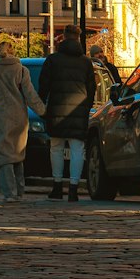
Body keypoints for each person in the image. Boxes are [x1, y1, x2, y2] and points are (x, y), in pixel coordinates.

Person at [38, 25, 96, 202]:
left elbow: (44, 85)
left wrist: (42, 107)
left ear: (63, 37)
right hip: (79, 110)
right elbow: (92, 87)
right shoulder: (86, 62)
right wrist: (86, 106)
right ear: (78, 38)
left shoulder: (53, 60)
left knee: (56, 147)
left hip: (57, 108)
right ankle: (73, 188)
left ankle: (57, 185)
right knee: (77, 148)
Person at [0, 42, 45, 204]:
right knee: (17, 153)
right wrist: (43, 112)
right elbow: (30, 94)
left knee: (4, 154)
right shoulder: (21, 70)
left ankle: (9, 191)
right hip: (18, 115)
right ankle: (19, 189)